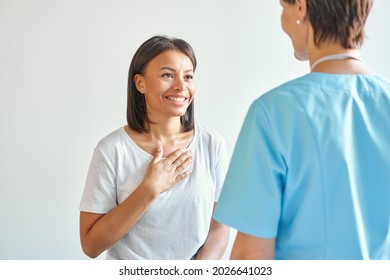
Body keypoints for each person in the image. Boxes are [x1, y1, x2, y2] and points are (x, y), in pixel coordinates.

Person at [213, 0, 390, 259]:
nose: (282, 19)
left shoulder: (273, 112)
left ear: (301, 8)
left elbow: (252, 256)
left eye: (282, 7)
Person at [79, 35, 229, 260]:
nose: (181, 86)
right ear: (140, 83)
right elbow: (91, 245)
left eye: (188, 76)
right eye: (168, 75)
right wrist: (150, 188)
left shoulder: (212, 145)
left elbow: (219, 226)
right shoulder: (112, 150)